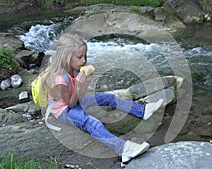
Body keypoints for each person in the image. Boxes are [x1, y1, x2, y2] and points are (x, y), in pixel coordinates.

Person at [43, 33, 164, 163]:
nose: (84, 61)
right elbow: (71, 104)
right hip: (64, 110)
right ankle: (123, 149)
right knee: (91, 123)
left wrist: (86, 82)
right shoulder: (59, 79)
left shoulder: (74, 69)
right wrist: (78, 85)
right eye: (79, 57)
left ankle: (142, 110)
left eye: (85, 56)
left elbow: (80, 96)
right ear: (66, 57)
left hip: (75, 99)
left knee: (108, 97)